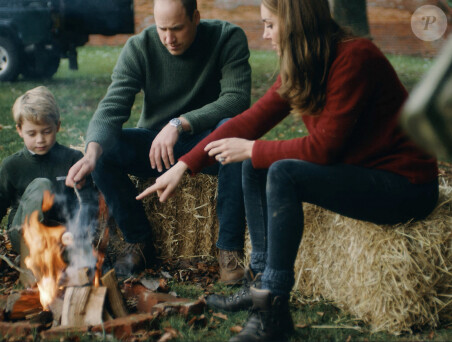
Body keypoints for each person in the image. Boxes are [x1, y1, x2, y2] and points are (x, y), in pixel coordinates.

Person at [137, 0, 440, 340]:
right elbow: (249, 121)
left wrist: (254, 148)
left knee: (280, 170)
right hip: (363, 173)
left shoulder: (356, 58)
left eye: (269, 24)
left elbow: (324, 149)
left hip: (404, 186)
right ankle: (261, 283)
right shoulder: (306, 63)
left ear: (295, 22)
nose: (265, 35)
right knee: (256, 161)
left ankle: (273, 310)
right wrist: (183, 165)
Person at [66, 0, 252, 281]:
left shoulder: (227, 37)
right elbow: (112, 106)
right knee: (105, 150)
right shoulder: (139, 47)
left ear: (196, 18)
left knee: (233, 131)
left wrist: (180, 123)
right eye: (161, 28)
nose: (168, 38)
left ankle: (229, 250)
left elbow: (236, 100)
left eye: (177, 28)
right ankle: (138, 240)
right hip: (156, 148)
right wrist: (91, 152)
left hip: (208, 144)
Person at [0, 86, 98, 276]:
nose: (40, 139)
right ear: (19, 130)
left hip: (62, 234)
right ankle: (31, 261)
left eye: (46, 131)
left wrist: (78, 230)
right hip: (24, 233)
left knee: (83, 262)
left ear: (57, 126)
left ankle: (55, 263)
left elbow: (88, 199)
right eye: (32, 134)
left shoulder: (73, 159)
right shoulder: (12, 165)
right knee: (41, 185)